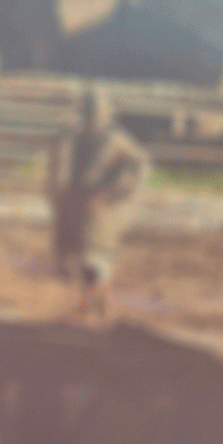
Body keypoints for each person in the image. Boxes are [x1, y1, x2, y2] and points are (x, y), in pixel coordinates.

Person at [45, 86, 151, 322]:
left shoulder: (116, 140)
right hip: (76, 208)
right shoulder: (73, 138)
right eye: (89, 112)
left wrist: (109, 194)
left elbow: (139, 167)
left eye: (96, 112)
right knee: (78, 258)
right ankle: (89, 306)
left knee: (97, 260)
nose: (93, 117)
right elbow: (61, 170)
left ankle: (99, 309)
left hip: (102, 211)